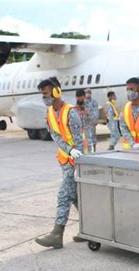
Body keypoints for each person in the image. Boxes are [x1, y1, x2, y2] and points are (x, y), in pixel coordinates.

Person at [35, 77, 86, 248]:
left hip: (75, 162)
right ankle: (93, 228)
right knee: (77, 198)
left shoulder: (71, 112)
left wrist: (79, 163)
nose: (45, 98)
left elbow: (79, 143)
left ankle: (57, 234)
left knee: (64, 195)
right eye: (42, 95)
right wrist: (67, 149)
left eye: (47, 94)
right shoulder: (49, 112)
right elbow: (55, 136)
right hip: (64, 159)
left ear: (57, 92)